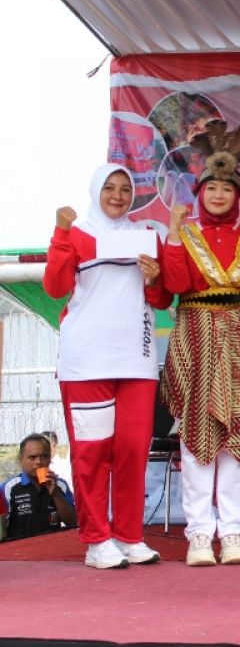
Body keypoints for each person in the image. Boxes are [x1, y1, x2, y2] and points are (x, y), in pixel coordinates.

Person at [42, 163, 171, 568]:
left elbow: (162, 299)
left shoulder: (146, 236)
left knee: (133, 451)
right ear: (96, 191)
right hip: (87, 362)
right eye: (110, 188)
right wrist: (60, 233)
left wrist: (155, 279)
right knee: (92, 453)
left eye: (125, 189)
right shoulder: (77, 233)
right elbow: (55, 287)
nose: (117, 195)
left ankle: (130, 536)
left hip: (137, 361)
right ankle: (97, 540)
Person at [161, 129, 240, 567]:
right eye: (210, 187)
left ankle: (231, 532)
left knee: (237, 435)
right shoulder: (185, 235)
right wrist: (174, 235)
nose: (218, 194)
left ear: (237, 195)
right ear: (199, 193)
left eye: (226, 188)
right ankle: (198, 533)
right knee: (196, 435)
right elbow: (176, 285)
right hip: (195, 338)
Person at [1, 434, 76, 540]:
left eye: (44, 456)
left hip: (53, 547)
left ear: (50, 458)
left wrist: (56, 494)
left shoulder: (60, 485)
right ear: (21, 460)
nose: (39, 462)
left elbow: (73, 523)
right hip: (20, 548)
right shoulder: (8, 488)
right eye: (32, 457)